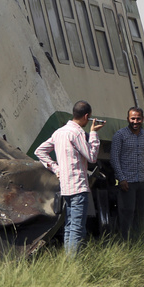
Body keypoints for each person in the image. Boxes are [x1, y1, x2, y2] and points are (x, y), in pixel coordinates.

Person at [34, 101, 102, 254]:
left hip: (65, 187)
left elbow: (40, 151)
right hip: (78, 186)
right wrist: (94, 134)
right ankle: (74, 263)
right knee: (77, 228)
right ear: (87, 116)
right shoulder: (76, 133)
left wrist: (56, 168)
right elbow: (92, 157)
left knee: (70, 226)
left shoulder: (59, 132)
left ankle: (69, 261)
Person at [110, 107, 144, 239]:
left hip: (142, 181)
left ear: (142, 119)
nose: (135, 121)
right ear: (128, 119)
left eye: (138, 119)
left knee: (140, 212)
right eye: (133, 118)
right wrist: (122, 178)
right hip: (127, 182)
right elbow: (114, 158)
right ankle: (125, 240)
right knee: (127, 212)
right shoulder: (120, 135)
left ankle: (138, 240)